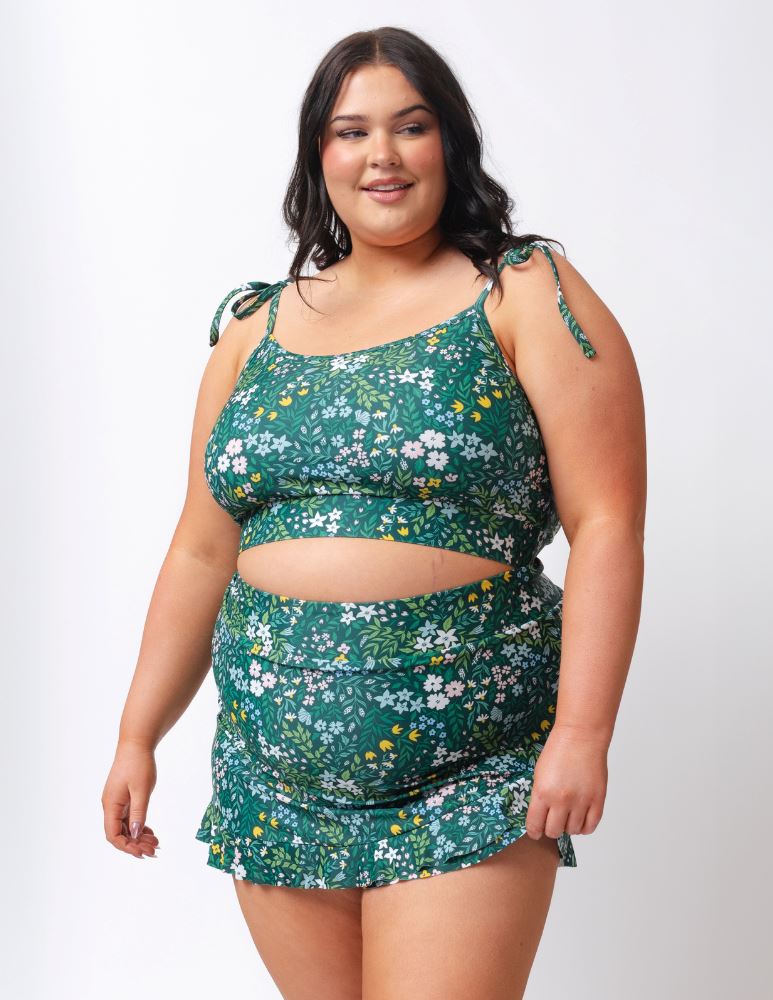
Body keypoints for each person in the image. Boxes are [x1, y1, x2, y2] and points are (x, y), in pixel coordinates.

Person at [101, 25, 646, 1000]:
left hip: (469, 762)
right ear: (319, 154)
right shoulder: (252, 329)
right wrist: (137, 733)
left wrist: (581, 732)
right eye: (351, 131)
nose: (381, 154)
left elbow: (606, 523)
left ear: (451, 143)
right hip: (274, 767)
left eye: (411, 125)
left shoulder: (522, 291)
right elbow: (199, 552)